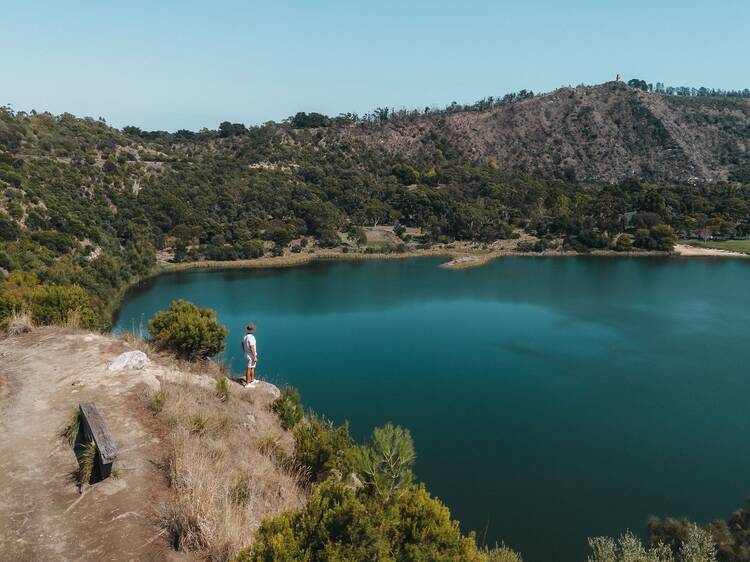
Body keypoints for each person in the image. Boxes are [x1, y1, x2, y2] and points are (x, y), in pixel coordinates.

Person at [241, 323, 258, 387]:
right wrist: (254, 356)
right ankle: (247, 384)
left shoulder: (245, 337)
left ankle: (252, 380)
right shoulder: (251, 337)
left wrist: (245, 351)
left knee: (252, 367)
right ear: (253, 330)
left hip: (247, 354)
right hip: (251, 355)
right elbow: (252, 347)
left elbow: (242, 343)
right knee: (249, 368)